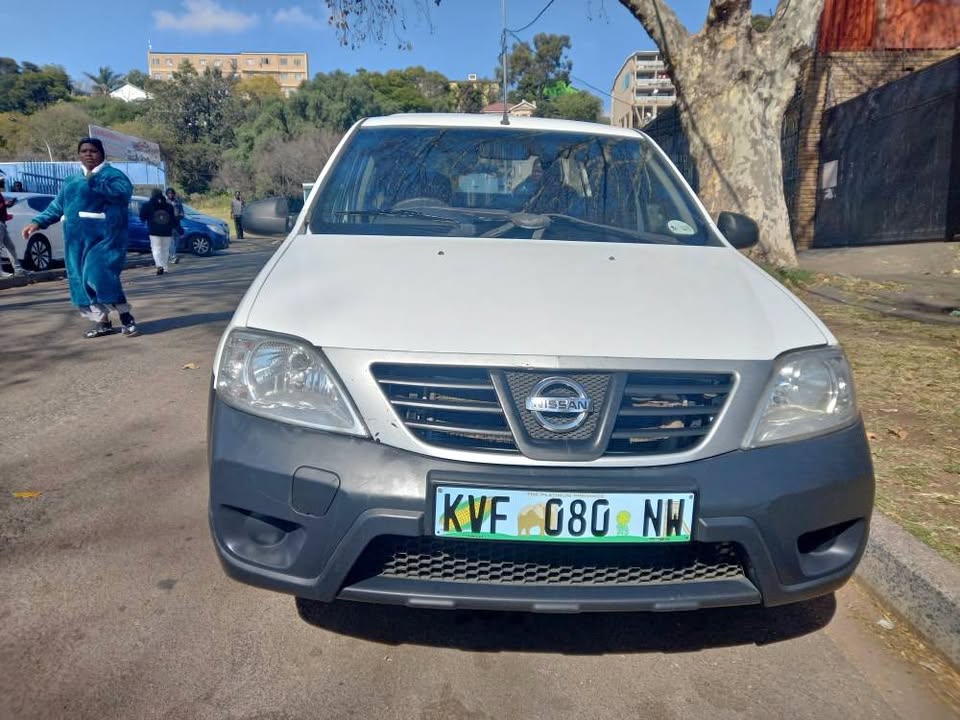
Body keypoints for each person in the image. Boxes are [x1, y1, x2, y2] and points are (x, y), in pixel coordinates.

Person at [22, 137, 139, 338]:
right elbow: (57, 206)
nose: (88, 154)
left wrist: (94, 179)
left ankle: (126, 317)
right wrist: (37, 222)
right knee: (81, 281)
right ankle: (103, 323)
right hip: (75, 241)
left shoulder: (113, 175)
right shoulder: (72, 180)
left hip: (106, 239)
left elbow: (122, 194)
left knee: (97, 275)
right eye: (84, 151)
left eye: (93, 151)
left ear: (101, 153)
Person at [139, 188, 175, 275]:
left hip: (154, 231)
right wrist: (175, 228)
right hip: (167, 231)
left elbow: (142, 217)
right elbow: (173, 219)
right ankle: (165, 268)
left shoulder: (147, 205)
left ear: (152, 194)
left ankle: (159, 265)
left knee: (156, 249)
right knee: (165, 250)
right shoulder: (168, 205)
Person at [0, 177, 26, 277]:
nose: (3, 184)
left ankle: (18, 269)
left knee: (10, 247)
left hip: (2, 224)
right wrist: (5, 204)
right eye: (1, 182)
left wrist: (7, 204)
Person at [165, 187, 184, 265]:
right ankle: (173, 257)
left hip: (177, 225)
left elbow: (182, 213)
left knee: (177, 242)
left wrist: (179, 215)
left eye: (172, 193)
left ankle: (171, 256)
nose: (170, 194)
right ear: (167, 194)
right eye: (169, 193)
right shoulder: (165, 203)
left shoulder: (178, 203)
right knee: (171, 242)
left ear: (174, 194)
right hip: (169, 226)